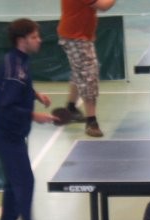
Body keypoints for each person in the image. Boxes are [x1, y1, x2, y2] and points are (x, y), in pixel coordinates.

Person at [0, 18, 57, 220]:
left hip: (13, 132)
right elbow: (6, 106)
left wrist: (35, 94)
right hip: (7, 134)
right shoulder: (14, 69)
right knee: (25, 182)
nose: (39, 40)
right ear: (22, 40)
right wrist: (34, 115)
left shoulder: (17, 59)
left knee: (13, 180)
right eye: (34, 37)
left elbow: (19, 86)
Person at [58, 0, 116, 138]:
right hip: (76, 38)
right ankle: (91, 122)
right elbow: (104, 6)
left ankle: (71, 108)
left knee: (79, 72)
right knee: (89, 75)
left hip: (75, 35)